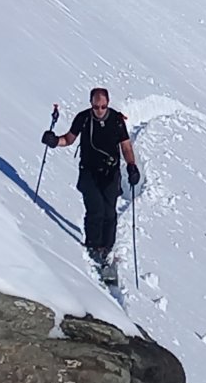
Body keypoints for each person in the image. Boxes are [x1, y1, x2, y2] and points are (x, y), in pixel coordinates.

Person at [43, 87, 141, 272]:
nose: (100, 110)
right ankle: (93, 246)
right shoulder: (83, 118)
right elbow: (69, 139)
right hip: (88, 171)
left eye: (103, 106)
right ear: (91, 104)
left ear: (108, 104)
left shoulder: (117, 120)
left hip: (111, 173)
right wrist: (54, 141)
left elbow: (126, 147)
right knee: (95, 208)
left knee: (110, 212)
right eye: (96, 107)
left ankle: (107, 248)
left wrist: (131, 166)